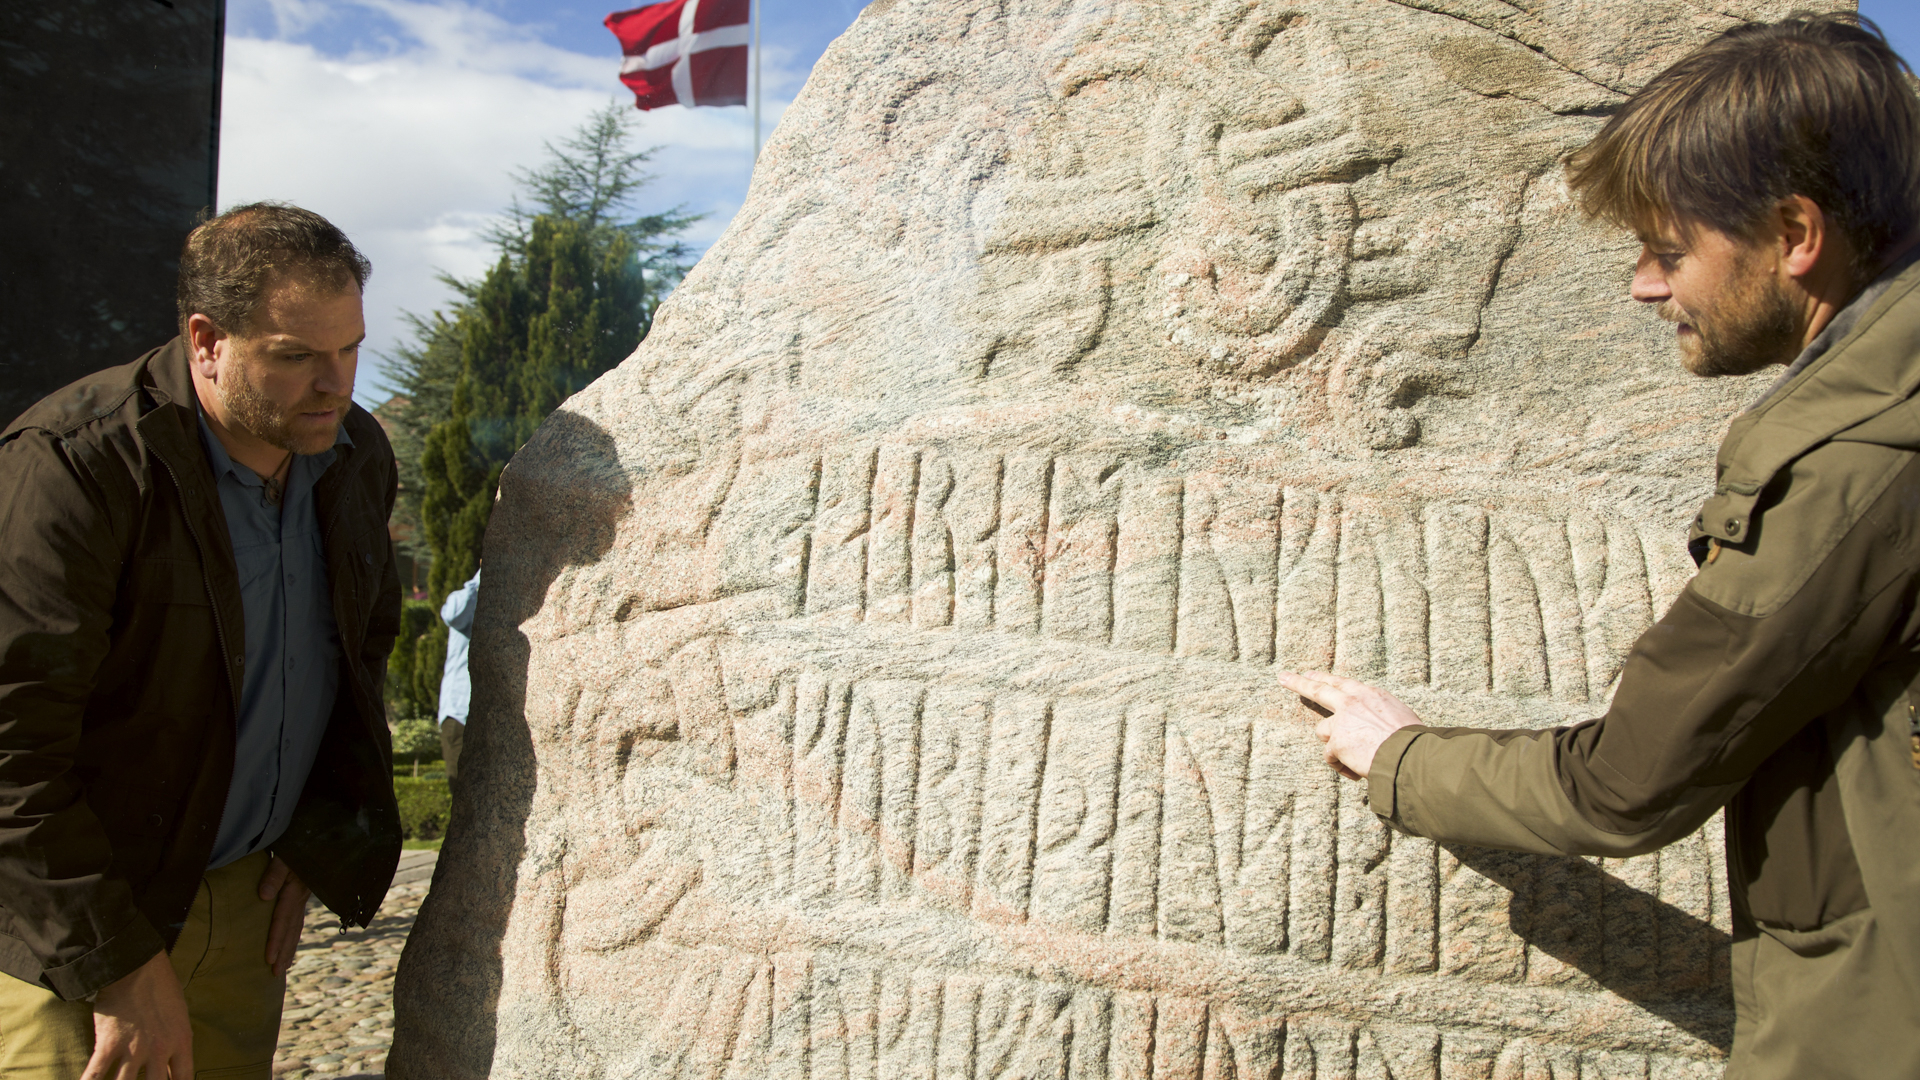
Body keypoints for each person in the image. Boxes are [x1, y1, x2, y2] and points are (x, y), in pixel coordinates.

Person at [1279, 15, 1920, 1078]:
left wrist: (1405, 761)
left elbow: (1630, 780)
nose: (1644, 286)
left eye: (1670, 250)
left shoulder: (1857, 458)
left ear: (1797, 234)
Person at [0, 203, 404, 1079]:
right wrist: (115, 964)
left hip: (244, 908)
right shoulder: (75, 465)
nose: (336, 384)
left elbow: (360, 650)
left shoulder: (356, 455)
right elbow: (9, 749)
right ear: (207, 340)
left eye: (350, 348)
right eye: (296, 356)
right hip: (73, 931)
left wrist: (318, 831)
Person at [437, 567, 482, 782]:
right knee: (461, 792)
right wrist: (483, 575)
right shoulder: (466, 599)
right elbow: (452, 615)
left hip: (489, 716)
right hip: (460, 715)